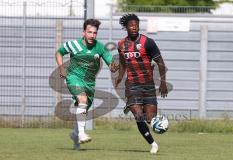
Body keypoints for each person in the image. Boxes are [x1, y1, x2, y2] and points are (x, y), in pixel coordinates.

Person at [55, 19, 118, 150]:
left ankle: (75, 135)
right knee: (82, 99)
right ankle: (82, 134)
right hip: (73, 78)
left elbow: (111, 66)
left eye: (95, 33)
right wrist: (61, 68)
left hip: (89, 83)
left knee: (82, 109)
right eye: (89, 32)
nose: (92, 35)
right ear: (84, 32)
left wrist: (116, 64)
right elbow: (59, 52)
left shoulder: (100, 47)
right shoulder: (73, 44)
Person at [115, 14, 168, 154]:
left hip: (148, 85)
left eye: (136, 25)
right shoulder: (121, 44)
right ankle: (153, 144)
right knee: (139, 116)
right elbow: (122, 62)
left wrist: (163, 82)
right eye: (131, 25)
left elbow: (161, 63)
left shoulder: (147, 42)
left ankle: (133, 106)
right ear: (126, 27)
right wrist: (120, 76)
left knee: (151, 119)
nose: (134, 27)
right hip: (132, 85)